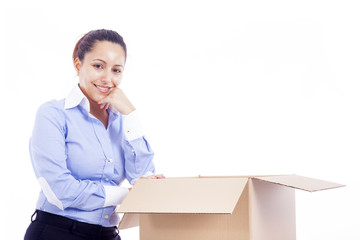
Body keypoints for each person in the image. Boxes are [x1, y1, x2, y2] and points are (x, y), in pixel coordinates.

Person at [24, 29, 162, 240]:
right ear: (78, 64)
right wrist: (127, 195)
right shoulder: (53, 115)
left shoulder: (123, 121)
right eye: (98, 66)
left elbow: (143, 178)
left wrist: (131, 115)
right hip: (58, 232)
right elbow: (61, 191)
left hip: (108, 234)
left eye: (116, 70)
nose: (107, 78)